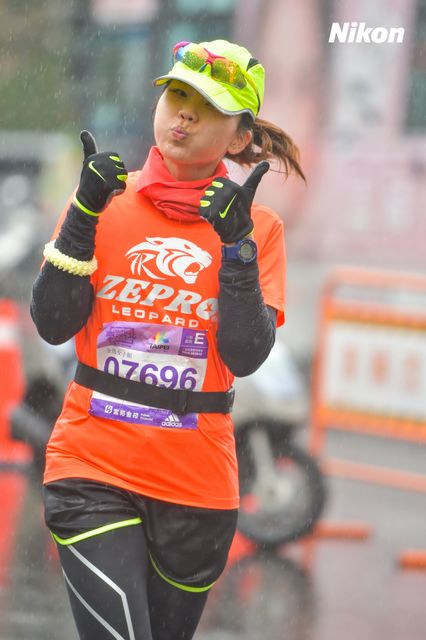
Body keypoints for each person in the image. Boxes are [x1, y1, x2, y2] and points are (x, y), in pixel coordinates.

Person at [31, 39, 305, 640]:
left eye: (207, 107)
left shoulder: (259, 229)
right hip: (91, 464)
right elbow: (52, 323)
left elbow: (245, 356)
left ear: (238, 137)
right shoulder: (103, 201)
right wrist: (81, 216)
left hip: (198, 486)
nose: (184, 113)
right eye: (177, 95)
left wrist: (236, 251)